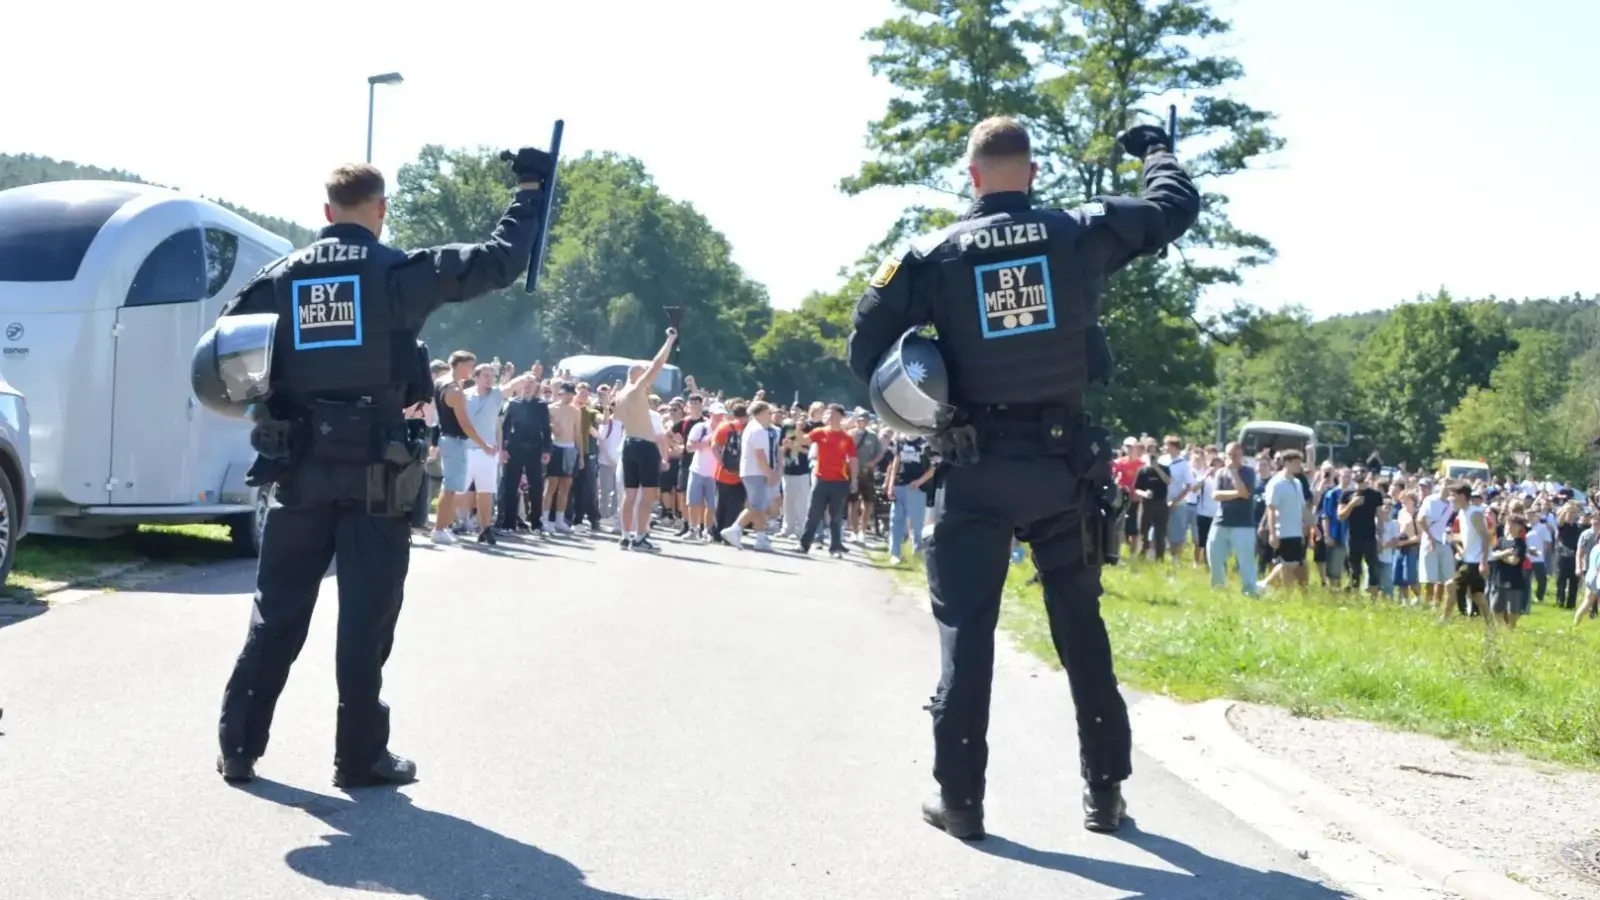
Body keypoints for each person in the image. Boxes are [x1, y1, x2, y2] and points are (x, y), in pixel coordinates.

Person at [845, 115, 1198, 838]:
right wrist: (1156, 150)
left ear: (971, 177)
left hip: (974, 471)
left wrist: (933, 390)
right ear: (1033, 172)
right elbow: (1173, 207)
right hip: (1065, 471)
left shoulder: (931, 255)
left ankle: (960, 801)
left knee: (966, 633)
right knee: (1081, 630)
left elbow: (865, 348)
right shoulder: (1078, 233)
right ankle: (1105, 793)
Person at [211, 150, 554, 787]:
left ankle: (239, 745)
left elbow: (224, 352)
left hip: (300, 468)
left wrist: (277, 398)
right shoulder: (399, 272)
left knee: (277, 611)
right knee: (365, 620)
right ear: (381, 210)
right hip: (377, 471)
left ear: (326, 212)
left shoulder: (279, 278)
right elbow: (499, 260)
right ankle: (359, 756)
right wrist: (529, 190)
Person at [613, 329, 677, 551]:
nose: (649, 382)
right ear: (636, 376)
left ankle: (625, 536)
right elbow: (657, 365)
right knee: (648, 495)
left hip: (629, 444)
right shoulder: (636, 389)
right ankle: (640, 537)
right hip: (644, 447)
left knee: (630, 494)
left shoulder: (619, 396)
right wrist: (669, 340)